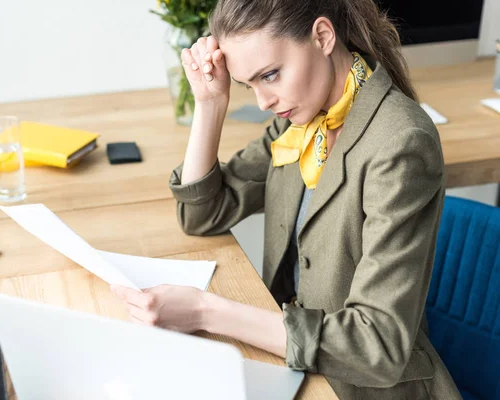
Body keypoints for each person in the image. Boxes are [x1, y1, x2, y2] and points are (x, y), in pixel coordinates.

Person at [112, 0, 461, 398]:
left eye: (271, 75)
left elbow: (376, 345)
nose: (263, 102)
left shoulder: (400, 142)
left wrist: (206, 311)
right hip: (289, 367)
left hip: (360, 387)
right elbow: (203, 213)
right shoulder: (302, 119)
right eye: (249, 85)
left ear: (323, 37)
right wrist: (210, 104)